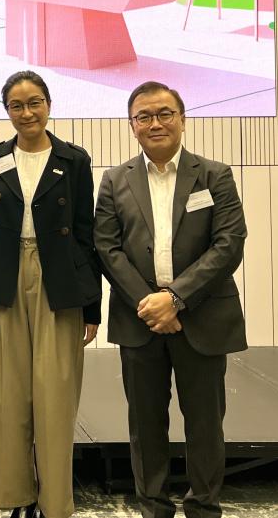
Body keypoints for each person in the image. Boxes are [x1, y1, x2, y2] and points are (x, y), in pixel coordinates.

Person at [94, 81, 247, 518]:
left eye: (164, 113)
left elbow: (229, 243)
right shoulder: (115, 180)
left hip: (202, 315)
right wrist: (151, 304)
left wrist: (176, 299)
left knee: (205, 423)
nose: (155, 123)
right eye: (144, 116)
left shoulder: (214, 175)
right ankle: (153, 508)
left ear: (182, 119)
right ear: (132, 125)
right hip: (140, 318)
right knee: (145, 425)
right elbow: (106, 246)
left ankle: (204, 508)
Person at [0, 71, 100, 518]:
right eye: (16, 105)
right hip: (4, 280)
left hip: (60, 280)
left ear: (48, 104)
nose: (26, 113)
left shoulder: (74, 160)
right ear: (6, 111)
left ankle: (54, 502)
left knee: (55, 396)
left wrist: (92, 307)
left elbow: (86, 234)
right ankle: (16, 496)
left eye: (34, 103)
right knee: (6, 393)